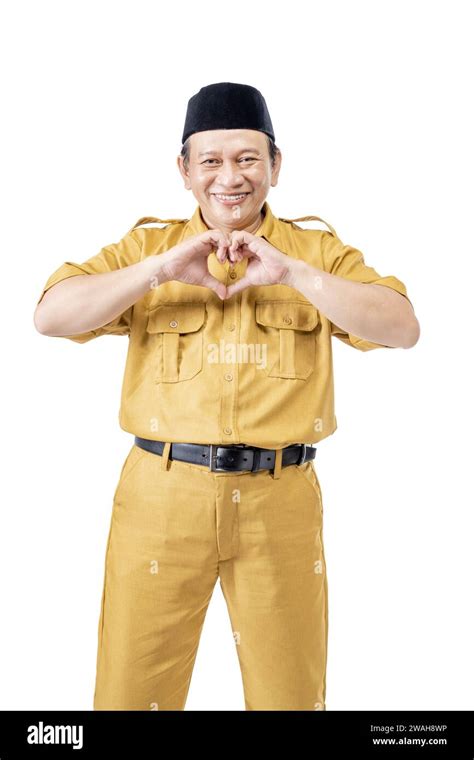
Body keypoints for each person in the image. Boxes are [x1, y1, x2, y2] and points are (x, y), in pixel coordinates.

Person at [34, 82, 420, 711]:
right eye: (210, 161)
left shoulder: (316, 251)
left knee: (290, 698)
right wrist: (159, 270)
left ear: (275, 165)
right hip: (160, 496)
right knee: (131, 694)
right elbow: (52, 316)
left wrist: (293, 273)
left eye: (247, 158)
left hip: (281, 497)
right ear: (184, 170)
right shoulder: (146, 249)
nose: (229, 177)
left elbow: (401, 326)